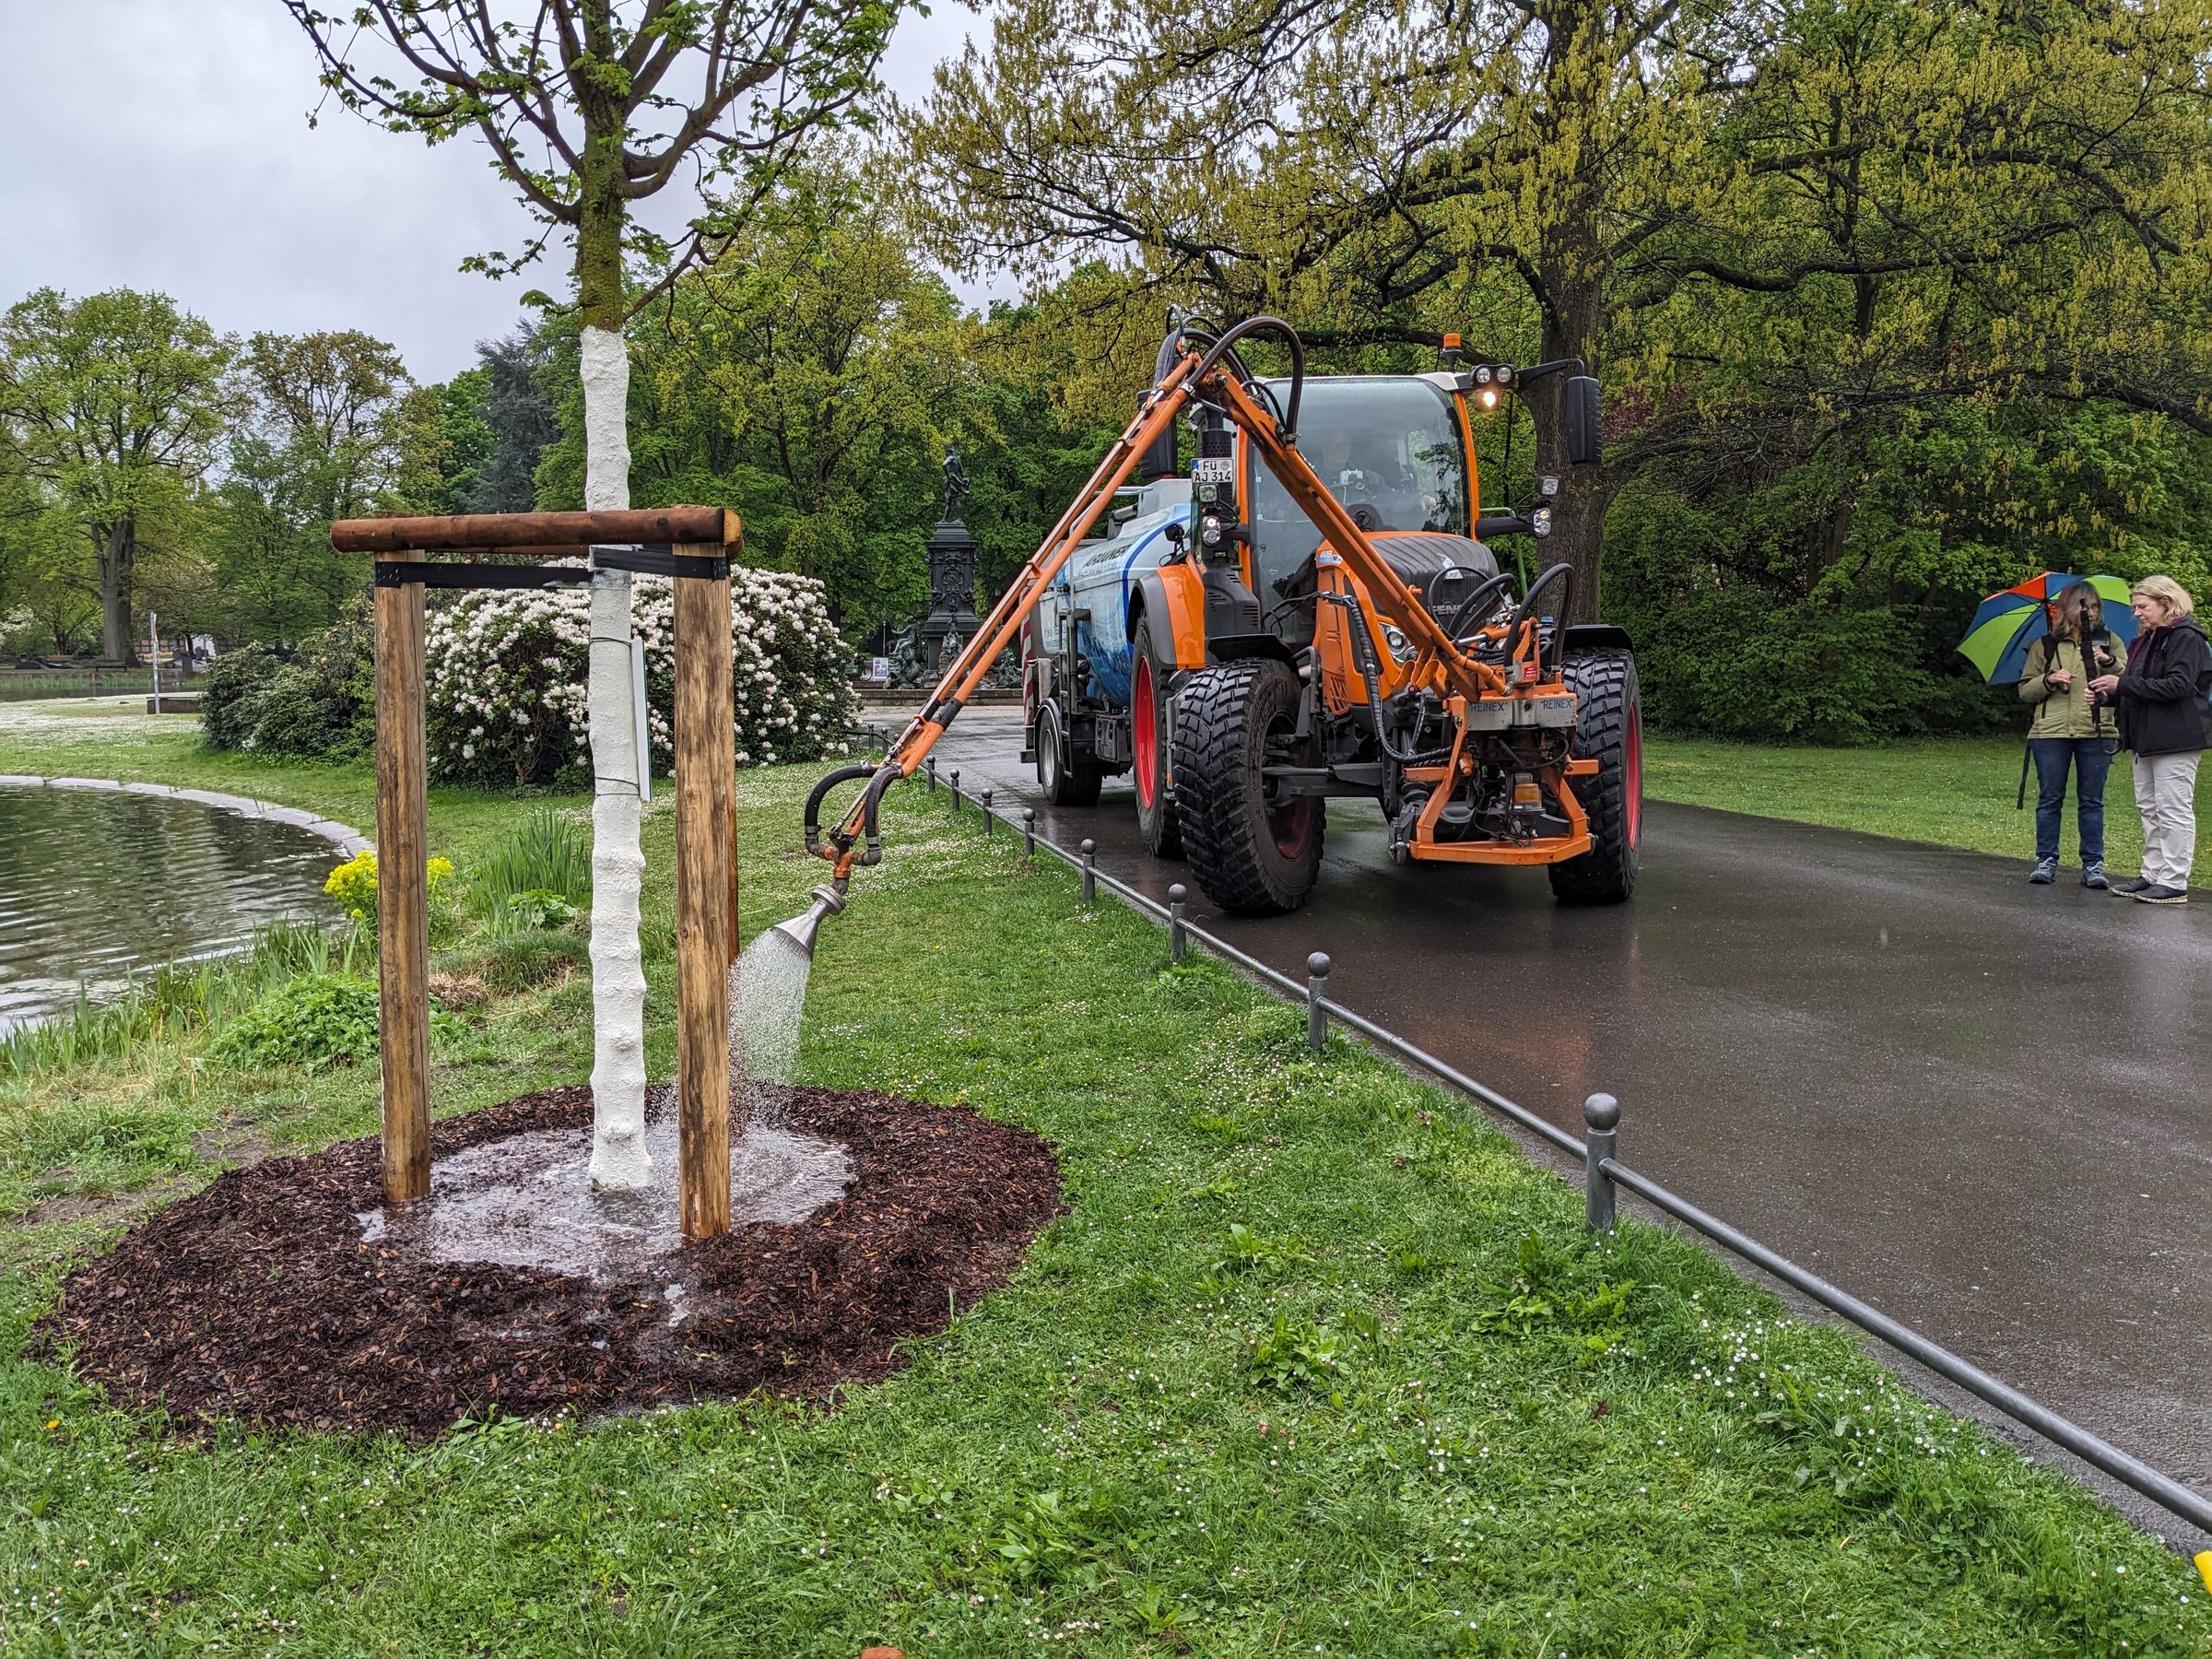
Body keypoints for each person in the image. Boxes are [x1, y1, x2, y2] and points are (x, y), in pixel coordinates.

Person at [2088, 573, 2212, 904]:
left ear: (2166, 603)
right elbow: (2138, 687)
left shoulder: (2186, 638)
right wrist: (2108, 696)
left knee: (2173, 808)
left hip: (2176, 736)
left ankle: (2174, 880)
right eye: (2135, 608)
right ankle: (2153, 873)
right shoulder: (2145, 641)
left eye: (2143, 606)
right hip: (2146, 736)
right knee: (2149, 807)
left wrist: (2121, 685)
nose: (2137, 614)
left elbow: (2178, 686)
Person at [2018, 582, 2121, 887]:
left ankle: (2093, 865)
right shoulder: (2045, 645)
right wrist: (2049, 680)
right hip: (2050, 732)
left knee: (2092, 800)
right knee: (2050, 798)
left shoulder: (2110, 642)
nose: (2089, 612)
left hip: (2097, 730)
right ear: (2066, 609)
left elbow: (2130, 680)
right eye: (2082, 606)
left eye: (2094, 607)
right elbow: (2025, 690)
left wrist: (2109, 662)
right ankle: (2046, 859)